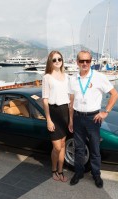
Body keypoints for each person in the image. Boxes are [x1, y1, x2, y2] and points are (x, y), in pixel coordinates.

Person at [68, 50, 118, 188]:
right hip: (78, 117)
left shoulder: (99, 77)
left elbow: (114, 94)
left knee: (95, 149)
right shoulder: (73, 78)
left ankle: (96, 174)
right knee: (79, 148)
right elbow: (71, 102)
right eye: (82, 61)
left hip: (93, 118)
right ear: (77, 62)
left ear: (91, 62)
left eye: (87, 61)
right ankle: (79, 172)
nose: (85, 63)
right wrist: (71, 120)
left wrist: (105, 112)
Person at [42, 50, 70, 182]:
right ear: (50, 62)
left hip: (65, 112)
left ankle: (60, 170)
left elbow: (71, 98)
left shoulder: (67, 77)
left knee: (63, 144)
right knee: (57, 147)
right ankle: (53, 170)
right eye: (54, 60)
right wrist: (48, 119)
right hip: (53, 112)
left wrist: (71, 119)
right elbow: (45, 100)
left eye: (59, 59)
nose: (57, 61)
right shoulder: (47, 77)